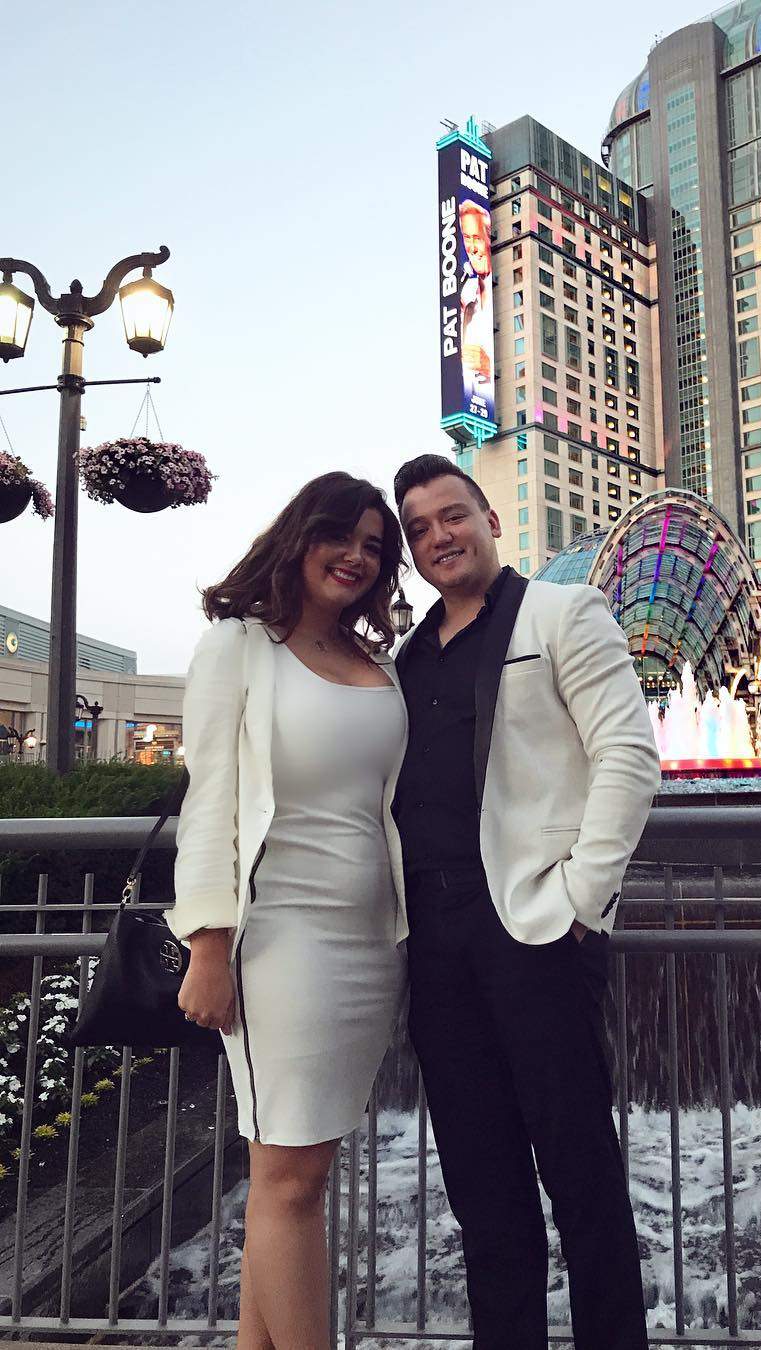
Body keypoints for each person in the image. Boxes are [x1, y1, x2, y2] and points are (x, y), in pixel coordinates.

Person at [391, 453, 660, 1350]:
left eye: (452, 515)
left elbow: (628, 754)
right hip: (434, 948)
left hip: (535, 930)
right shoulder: (408, 656)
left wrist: (583, 902)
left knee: (582, 1179)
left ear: (491, 521)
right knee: (483, 1190)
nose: (439, 536)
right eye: (419, 529)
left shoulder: (560, 612)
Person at [170, 472, 409, 1350]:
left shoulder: (378, 664)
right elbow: (210, 801)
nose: (357, 556)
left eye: (374, 546)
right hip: (280, 942)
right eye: (339, 536)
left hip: (370, 943)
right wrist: (208, 943)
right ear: (299, 537)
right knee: (290, 1182)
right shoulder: (239, 647)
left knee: (298, 1177)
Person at [458, 200, 494, 395]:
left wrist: (490, 367)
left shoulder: (514, 291)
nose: (471, 248)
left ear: (489, 238)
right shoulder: (466, 291)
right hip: (468, 398)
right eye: (466, 238)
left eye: (477, 238)